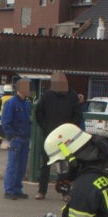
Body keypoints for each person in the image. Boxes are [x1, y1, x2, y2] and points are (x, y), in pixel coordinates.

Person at [34, 71, 83, 199]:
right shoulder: (47, 95)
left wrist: (69, 131)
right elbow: (38, 112)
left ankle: (65, 192)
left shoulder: (72, 96)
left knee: (64, 166)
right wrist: (46, 127)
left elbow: (77, 115)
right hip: (50, 138)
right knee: (45, 165)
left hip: (64, 139)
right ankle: (41, 191)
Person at [0, 79, 32, 199]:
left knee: (22, 166)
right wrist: (12, 136)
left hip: (25, 138)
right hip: (16, 138)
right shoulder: (11, 103)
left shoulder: (27, 103)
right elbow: (5, 122)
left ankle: (17, 189)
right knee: (13, 165)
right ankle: (9, 190)